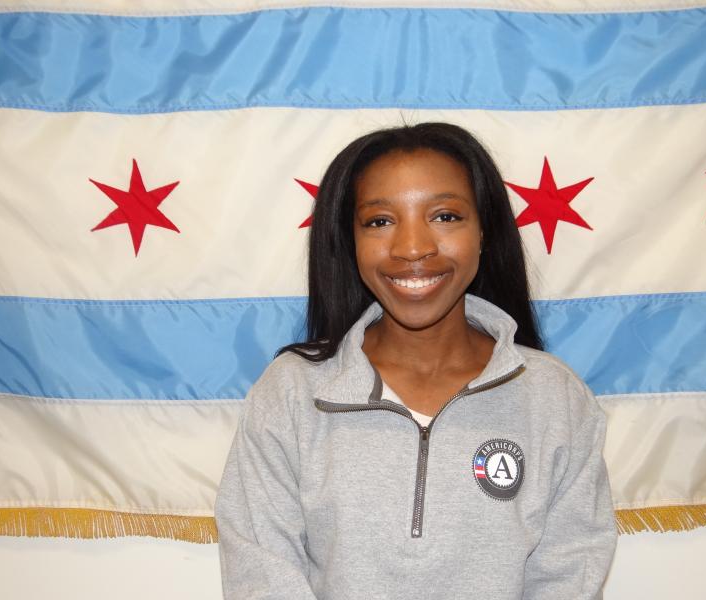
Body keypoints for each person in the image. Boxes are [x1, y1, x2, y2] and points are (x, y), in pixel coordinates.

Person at [216, 122, 617, 599]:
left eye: (445, 216)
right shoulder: (293, 392)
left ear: (485, 231)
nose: (412, 248)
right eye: (379, 221)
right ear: (350, 241)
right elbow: (262, 574)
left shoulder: (555, 397)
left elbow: (569, 574)